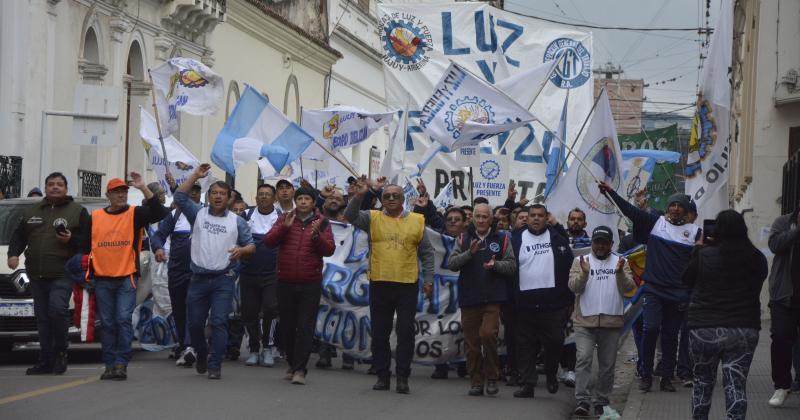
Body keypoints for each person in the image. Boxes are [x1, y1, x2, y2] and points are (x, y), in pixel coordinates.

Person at [600, 183, 700, 393]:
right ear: (667, 208)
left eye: (679, 206)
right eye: (671, 204)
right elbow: (630, 211)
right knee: (651, 328)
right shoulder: (657, 223)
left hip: (678, 293)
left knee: (671, 336)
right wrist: (610, 193)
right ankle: (645, 374)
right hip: (653, 289)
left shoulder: (695, 233)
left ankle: (666, 377)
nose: (674, 208)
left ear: (687, 211)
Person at [345, 177, 435, 394]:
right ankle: (382, 375)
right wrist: (359, 195)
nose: (392, 198)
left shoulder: (416, 220)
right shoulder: (372, 217)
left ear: (404, 199)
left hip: (407, 284)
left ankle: (402, 376)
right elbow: (349, 216)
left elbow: (427, 253)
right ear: (382, 200)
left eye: (396, 195)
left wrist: (429, 280)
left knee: (405, 332)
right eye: (387, 196)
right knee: (379, 333)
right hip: (380, 282)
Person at [680, 209, 768, 419]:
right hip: (743, 328)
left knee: (702, 382)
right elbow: (757, 284)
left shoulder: (703, 254)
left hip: (703, 329)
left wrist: (697, 251)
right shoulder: (756, 258)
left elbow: (686, 280)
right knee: (736, 384)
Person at [174, 164, 256, 380]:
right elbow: (180, 197)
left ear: (229, 199)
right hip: (198, 279)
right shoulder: (198, 213)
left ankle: (214, 364)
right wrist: (195, 176)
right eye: (214, 193)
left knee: (219, 321)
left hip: (223, 279)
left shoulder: (237, 221)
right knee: (195, 324)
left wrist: (242, 250)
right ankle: (201, 352)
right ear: (208, 196)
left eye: (222, 194)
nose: (218, 197)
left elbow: (251, 246)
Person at [84, 173, 168, 380]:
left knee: (122, 320)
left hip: (126, 277)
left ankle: (121, 363)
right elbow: (84, 245)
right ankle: (109, 364)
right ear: (108, 195)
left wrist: (143, 188)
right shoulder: (95, 217)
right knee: (107, 323)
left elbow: (160, 213)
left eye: (124, 191)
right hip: (102, 278)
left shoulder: (135, 214)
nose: (121, 195)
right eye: (116, 192)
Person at [7, 172, 89, 375]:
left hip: (63, 272)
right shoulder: (32, 211)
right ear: (45, 188)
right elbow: (19, 235)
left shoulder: (78, 211)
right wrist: (13, 254)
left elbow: (87, 242)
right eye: (51, 184)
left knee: (57, 310)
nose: (55, 187)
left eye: (59, 184)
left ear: (66, 189)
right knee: (42, 318)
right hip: (36, 273)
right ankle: (45, 360)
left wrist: (71, 239)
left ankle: (61, 352)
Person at [265, 186, 335, 385]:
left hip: (310, 283)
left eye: (307, 199)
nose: (303, 202)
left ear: (314, 203)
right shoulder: (284, 218)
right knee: (287, 326)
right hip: (285, 280)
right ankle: (291, 363)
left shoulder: (322, 223)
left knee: (305, 327)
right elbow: (269, 242)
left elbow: (329, 250)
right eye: (300, 198)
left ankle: (300, 370)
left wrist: (317, 237)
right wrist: (284, 228)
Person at [447, 204, 516, 396]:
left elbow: (512, 266)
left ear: (491, 219)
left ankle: (492, 377)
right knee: (472, 342)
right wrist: (470, 253)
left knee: (487, 335)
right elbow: (452, 264)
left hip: (493, 298)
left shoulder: (502, 239)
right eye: (477, 216)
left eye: (485, 217)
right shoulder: (463, 238)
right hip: (470, 298)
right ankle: (476, 381)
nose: (481, 220)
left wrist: (497, 265)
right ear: (473, 219)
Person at [569, 226, 634, 417]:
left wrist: (620, 272)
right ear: (592, 243)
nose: (600, 246)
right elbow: (574, 287)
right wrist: (584, 273)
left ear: (611, 244)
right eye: (597, 242)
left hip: (611, 322)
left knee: (607, 365)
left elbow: (629, 288)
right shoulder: (580, 261)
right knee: (583, 359)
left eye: (604, 243)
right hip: (584, 322)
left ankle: (601, 402)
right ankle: (582, 400)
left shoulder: (621, 261)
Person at [511, 204, 574, 398]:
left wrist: (568, 299)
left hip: (553, 304)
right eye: (533, 215)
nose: (536, 219)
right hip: (524, 304)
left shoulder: (557, 238)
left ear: (547, 218)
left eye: (540, 215)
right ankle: (528, 384)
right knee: (526, 346)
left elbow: (569, 268)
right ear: (527, 218)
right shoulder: (515, 239)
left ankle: (551, 373)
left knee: (555, 341)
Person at [151, 182, 203, 367]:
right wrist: (158, 248)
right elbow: (158, 235)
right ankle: (184, 346)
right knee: (179, 310)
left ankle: (191, 346)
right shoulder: (174, 215)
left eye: (196, 192)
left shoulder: (207, 215)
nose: (193, 195)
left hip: (198, 272)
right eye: (189, 192)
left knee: (192, 308)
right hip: (176, 270)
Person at [240, 183, 280, 367]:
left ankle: (268, 347)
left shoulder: (281, 218)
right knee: (250, 312)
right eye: (260, 194)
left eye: (267, 194)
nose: (263, 197)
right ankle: (254, 349)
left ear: (274, 198)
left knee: (271, 308)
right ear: (256, 198)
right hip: (248, 272)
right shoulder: (246, 216)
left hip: (272, 273)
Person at [766, 205, 800, 407]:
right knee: (780, 339)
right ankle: (781, 385)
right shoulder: (783, 222)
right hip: (784, 295)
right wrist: (797, 231)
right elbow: (775, 245)